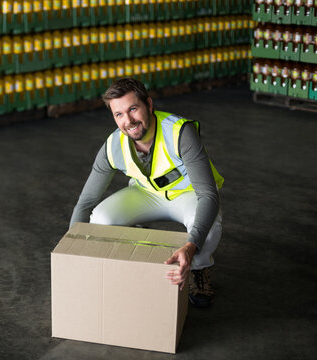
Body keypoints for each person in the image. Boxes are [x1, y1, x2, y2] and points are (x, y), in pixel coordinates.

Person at [69, 78, 224, 308]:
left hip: (188, 194)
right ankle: (135, 251)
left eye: (133, 109)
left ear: (149, 105)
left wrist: (191, 247)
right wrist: (73, 248)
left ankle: (199, 269)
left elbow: (209, 195)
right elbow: (87, 202)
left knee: (208, 229)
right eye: (118, 114)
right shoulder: (113, 146)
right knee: (101, 219)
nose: (128, 121)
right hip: (146, 195)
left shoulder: (180, 132)